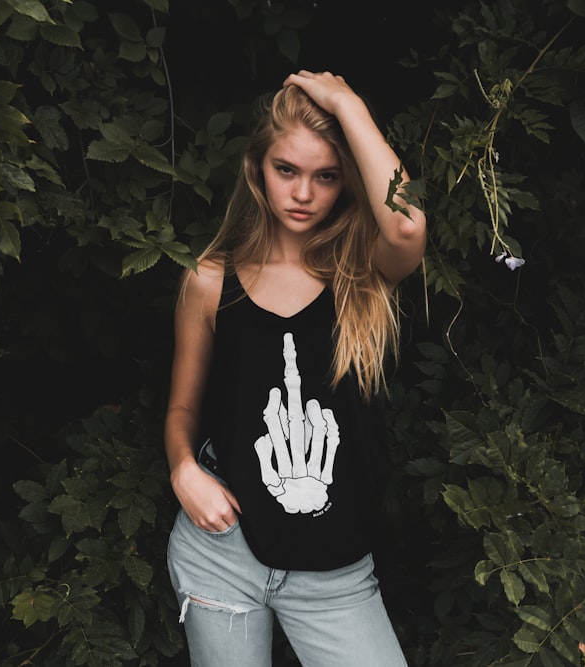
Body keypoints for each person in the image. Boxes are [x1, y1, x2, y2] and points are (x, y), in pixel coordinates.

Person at [163, 70, 426, 667]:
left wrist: (346, 103)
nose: (303, 193)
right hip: (221, 552)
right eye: (287, 170)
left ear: (347, 182)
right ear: (258, 169)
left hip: (334, 570)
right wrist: (183, 469)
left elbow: (406, 222)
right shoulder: (209, 279)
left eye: (325, 176)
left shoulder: (363, 273)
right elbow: (182, 406)